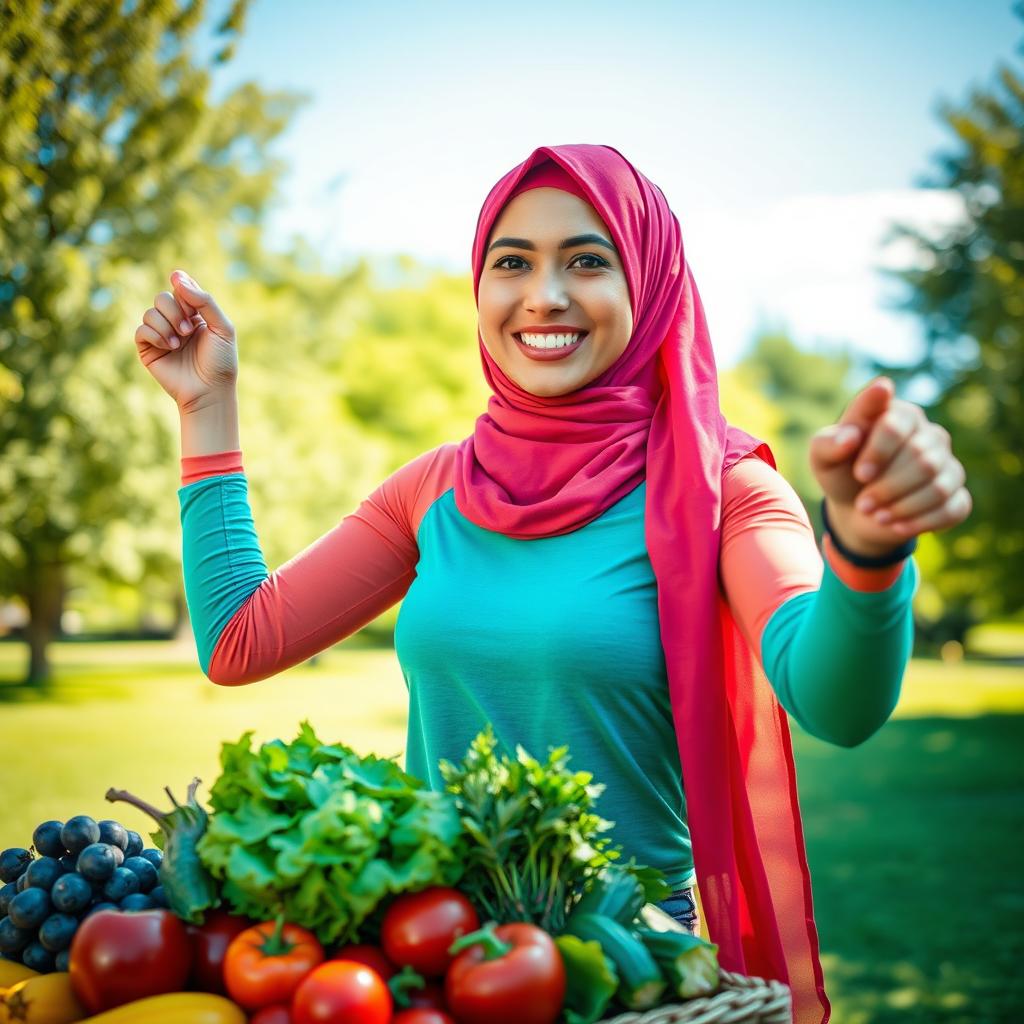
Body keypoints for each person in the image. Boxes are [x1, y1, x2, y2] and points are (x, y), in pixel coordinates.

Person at [133, 144, 970, 1024]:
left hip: (628, 967)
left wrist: (869, 554)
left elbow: (833, 701)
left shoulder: (727, 487)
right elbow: (238, 642)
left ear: (647, 285)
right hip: (432, 955)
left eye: (587, 260)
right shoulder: (434, 488)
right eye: (512, 263)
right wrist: (205, 410)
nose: (544, 295)